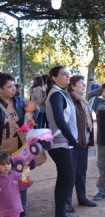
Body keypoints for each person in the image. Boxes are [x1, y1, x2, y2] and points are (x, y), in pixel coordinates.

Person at [0, 73, 39, 217]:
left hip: (21, 152)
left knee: (22, 180)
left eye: (14, 86)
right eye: (9, 86)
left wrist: (30, 117)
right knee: (4, 184)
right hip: (2, 154)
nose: (13, 89)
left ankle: (21, 210)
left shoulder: (20, 102)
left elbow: (35, 109)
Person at [45, 66, 78, 217]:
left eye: (68, 74)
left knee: (65, 177)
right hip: (60, 143)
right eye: (64, 74)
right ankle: (60, 213)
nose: (67, 77)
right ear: (54, 78)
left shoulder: (61, 93)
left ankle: (61, 212)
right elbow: (59, 119)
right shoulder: (56, 94)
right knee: (67, 178)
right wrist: (71, 138)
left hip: (64, 143)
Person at [65, 75, 96, 213]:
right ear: (72, 86)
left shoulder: (82, 101)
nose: (84, 86)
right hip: (73, 143)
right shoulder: (68, 101)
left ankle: (82, 197)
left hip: (83, 142)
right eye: (81, 84)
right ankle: (66, 202)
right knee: (70, 173)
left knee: (81, 172)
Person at [0, 152, 33, 217]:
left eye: (8, 163)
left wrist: (28, 181)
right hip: (2, 211)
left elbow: (22, 187)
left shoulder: (16, 175)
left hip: (16, 209)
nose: (6, 166)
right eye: (2, 164)